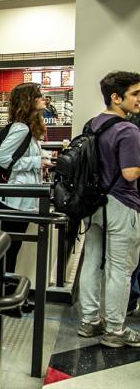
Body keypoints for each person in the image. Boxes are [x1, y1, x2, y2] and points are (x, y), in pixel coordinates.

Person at [78, 71, 140, 347]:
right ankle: (116, 329)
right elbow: (130, 173)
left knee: (91, 262)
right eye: (135, 94)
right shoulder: (128, 130)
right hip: (121, 203)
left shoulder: (92, 125)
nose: (139, 99)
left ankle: (89, 321)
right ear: (116, 98)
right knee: (120, 268)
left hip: (92, 203)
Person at [0, 83, 51, 274]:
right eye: (39, 96)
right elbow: (1, 158)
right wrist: (37, 162)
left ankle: (5, 292)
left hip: (21, 198)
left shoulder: (27, 127)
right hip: (15, 198)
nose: (43, 99)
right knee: (9, 250)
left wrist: (41, 159)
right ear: (29, 101)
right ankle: (2, 293)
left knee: (11, 249)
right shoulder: (22, 129)